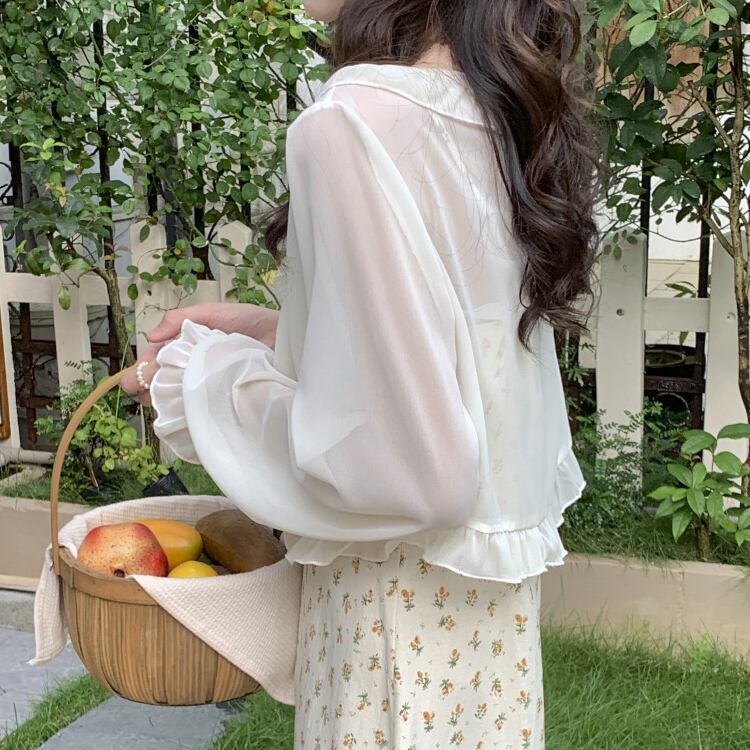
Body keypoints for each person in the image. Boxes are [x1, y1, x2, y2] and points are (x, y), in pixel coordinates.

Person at [121, 1, 601, 746]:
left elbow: (407, 470)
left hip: (390, 614)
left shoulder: (351, 124)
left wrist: (200, 382)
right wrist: (274, 332)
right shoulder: (494, 102)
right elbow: (454, 357)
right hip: (486, 626)